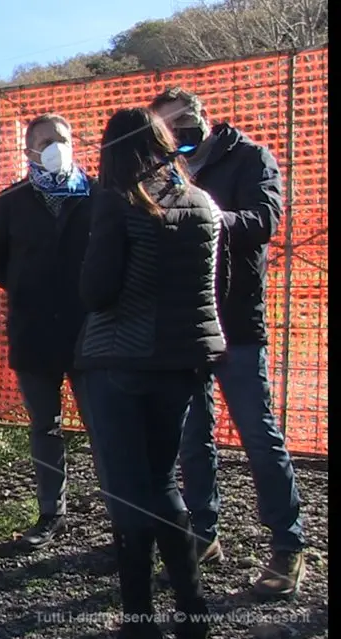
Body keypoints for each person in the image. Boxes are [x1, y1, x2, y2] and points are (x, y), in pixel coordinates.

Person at [76, 107, 226, 639]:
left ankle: (139, 624)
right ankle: (193, 613)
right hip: (183, 361)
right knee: (164, 484)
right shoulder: (204, 203)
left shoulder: (120, 203)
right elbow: (212, 287)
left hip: (120, 360)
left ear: (113, 151)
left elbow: (96, 292)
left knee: (128, 492)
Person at [151, 87, 307, 598]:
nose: (178, 133)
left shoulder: (250, 157)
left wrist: (204, 217)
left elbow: (263, 222)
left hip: (237, 321)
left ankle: (288, 544)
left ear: (202, 115)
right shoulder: (164, 169)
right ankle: (203, 533)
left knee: (258, 433)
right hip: (186, 324)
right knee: (193, 436)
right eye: (166, 128)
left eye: (183, 121)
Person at [0, 113, 99, 550]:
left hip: (92, 335)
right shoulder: (11, 203)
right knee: (45, 428)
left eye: (64, 139)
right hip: (33, 335)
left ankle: (124, 521)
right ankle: (51, 513)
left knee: (102, 426)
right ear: (28, 150)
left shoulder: (97, 196)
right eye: (47, 140)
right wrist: (34, 291)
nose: (57, 147)